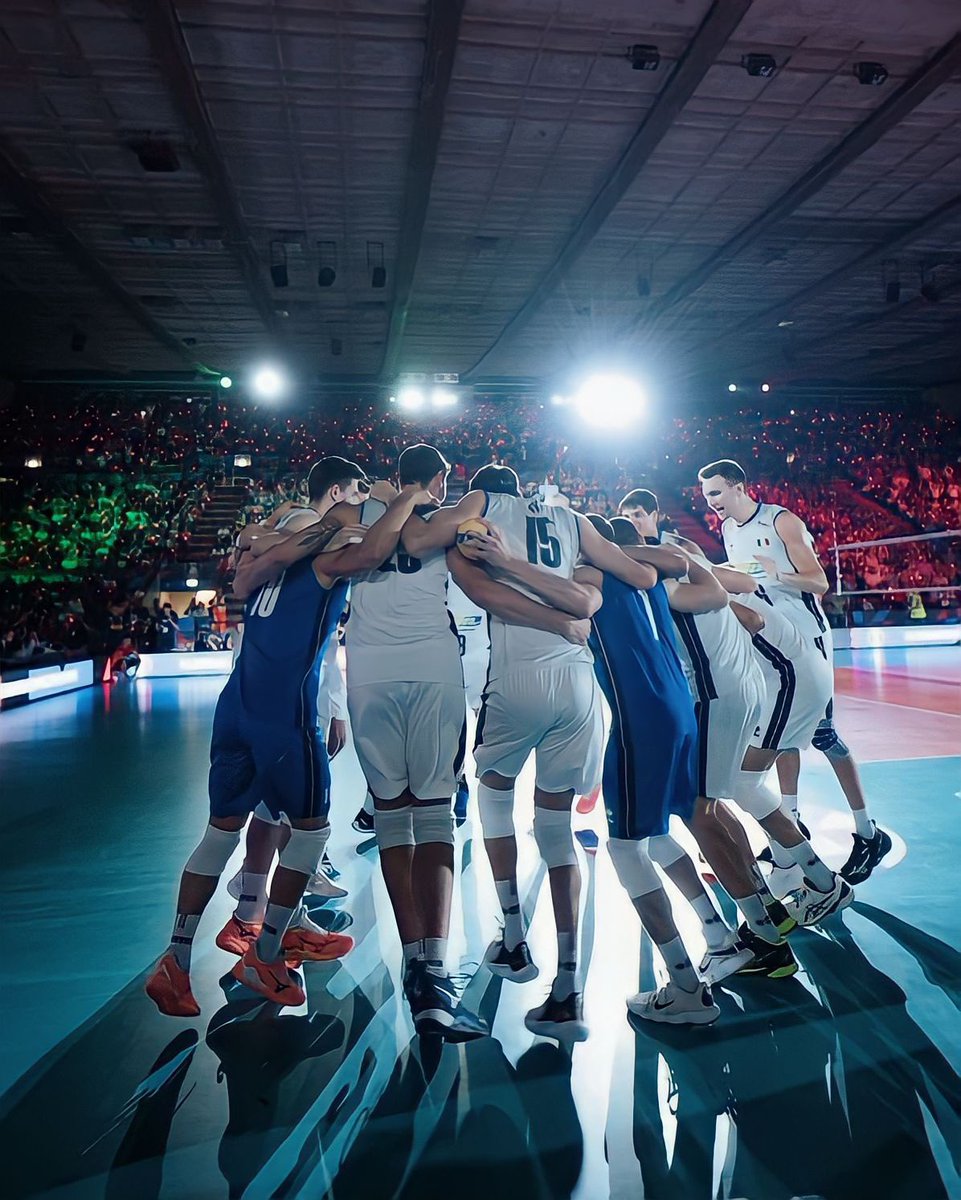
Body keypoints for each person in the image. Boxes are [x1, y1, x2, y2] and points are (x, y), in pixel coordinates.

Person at [145, 468, 431, 1017]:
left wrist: (273, 532)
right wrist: (412, 495)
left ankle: (176, 960)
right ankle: (268, 951)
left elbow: (259, 546)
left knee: (220, 833)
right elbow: (372, 551)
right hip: (285, 717)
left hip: (236, 709)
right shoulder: (324, 561)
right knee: (311, 832)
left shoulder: (262, 562)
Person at [403, 463, 659, 1038]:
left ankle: (514, 937)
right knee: (557, 832)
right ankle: (568, 990)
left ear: (487, 492)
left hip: (514, 682)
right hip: (578, 690)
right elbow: (635, 581)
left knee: (492, 800)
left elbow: (479, 588)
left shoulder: (481, 514)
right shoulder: (572, 519)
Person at [344, 443, 487, 1040]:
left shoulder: (357, 518)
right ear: (439, 480)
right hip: (433, 671)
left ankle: (411, 958)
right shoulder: (449, 522)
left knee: (392, 821)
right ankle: (434, 965)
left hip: (369, 675)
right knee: (435, 818)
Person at [698, 459, 892, 886]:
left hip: (809, 639)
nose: (710, 502)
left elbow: (818, 582)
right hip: (774, 644)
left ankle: (867, 831)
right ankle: (792, 821)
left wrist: (776, 573)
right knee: (781, 734)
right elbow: (749, 580)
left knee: (824, 736)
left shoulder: (783, 521)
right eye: (706, 495)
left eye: (715, 493)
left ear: (737, 486)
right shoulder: (729, 529)